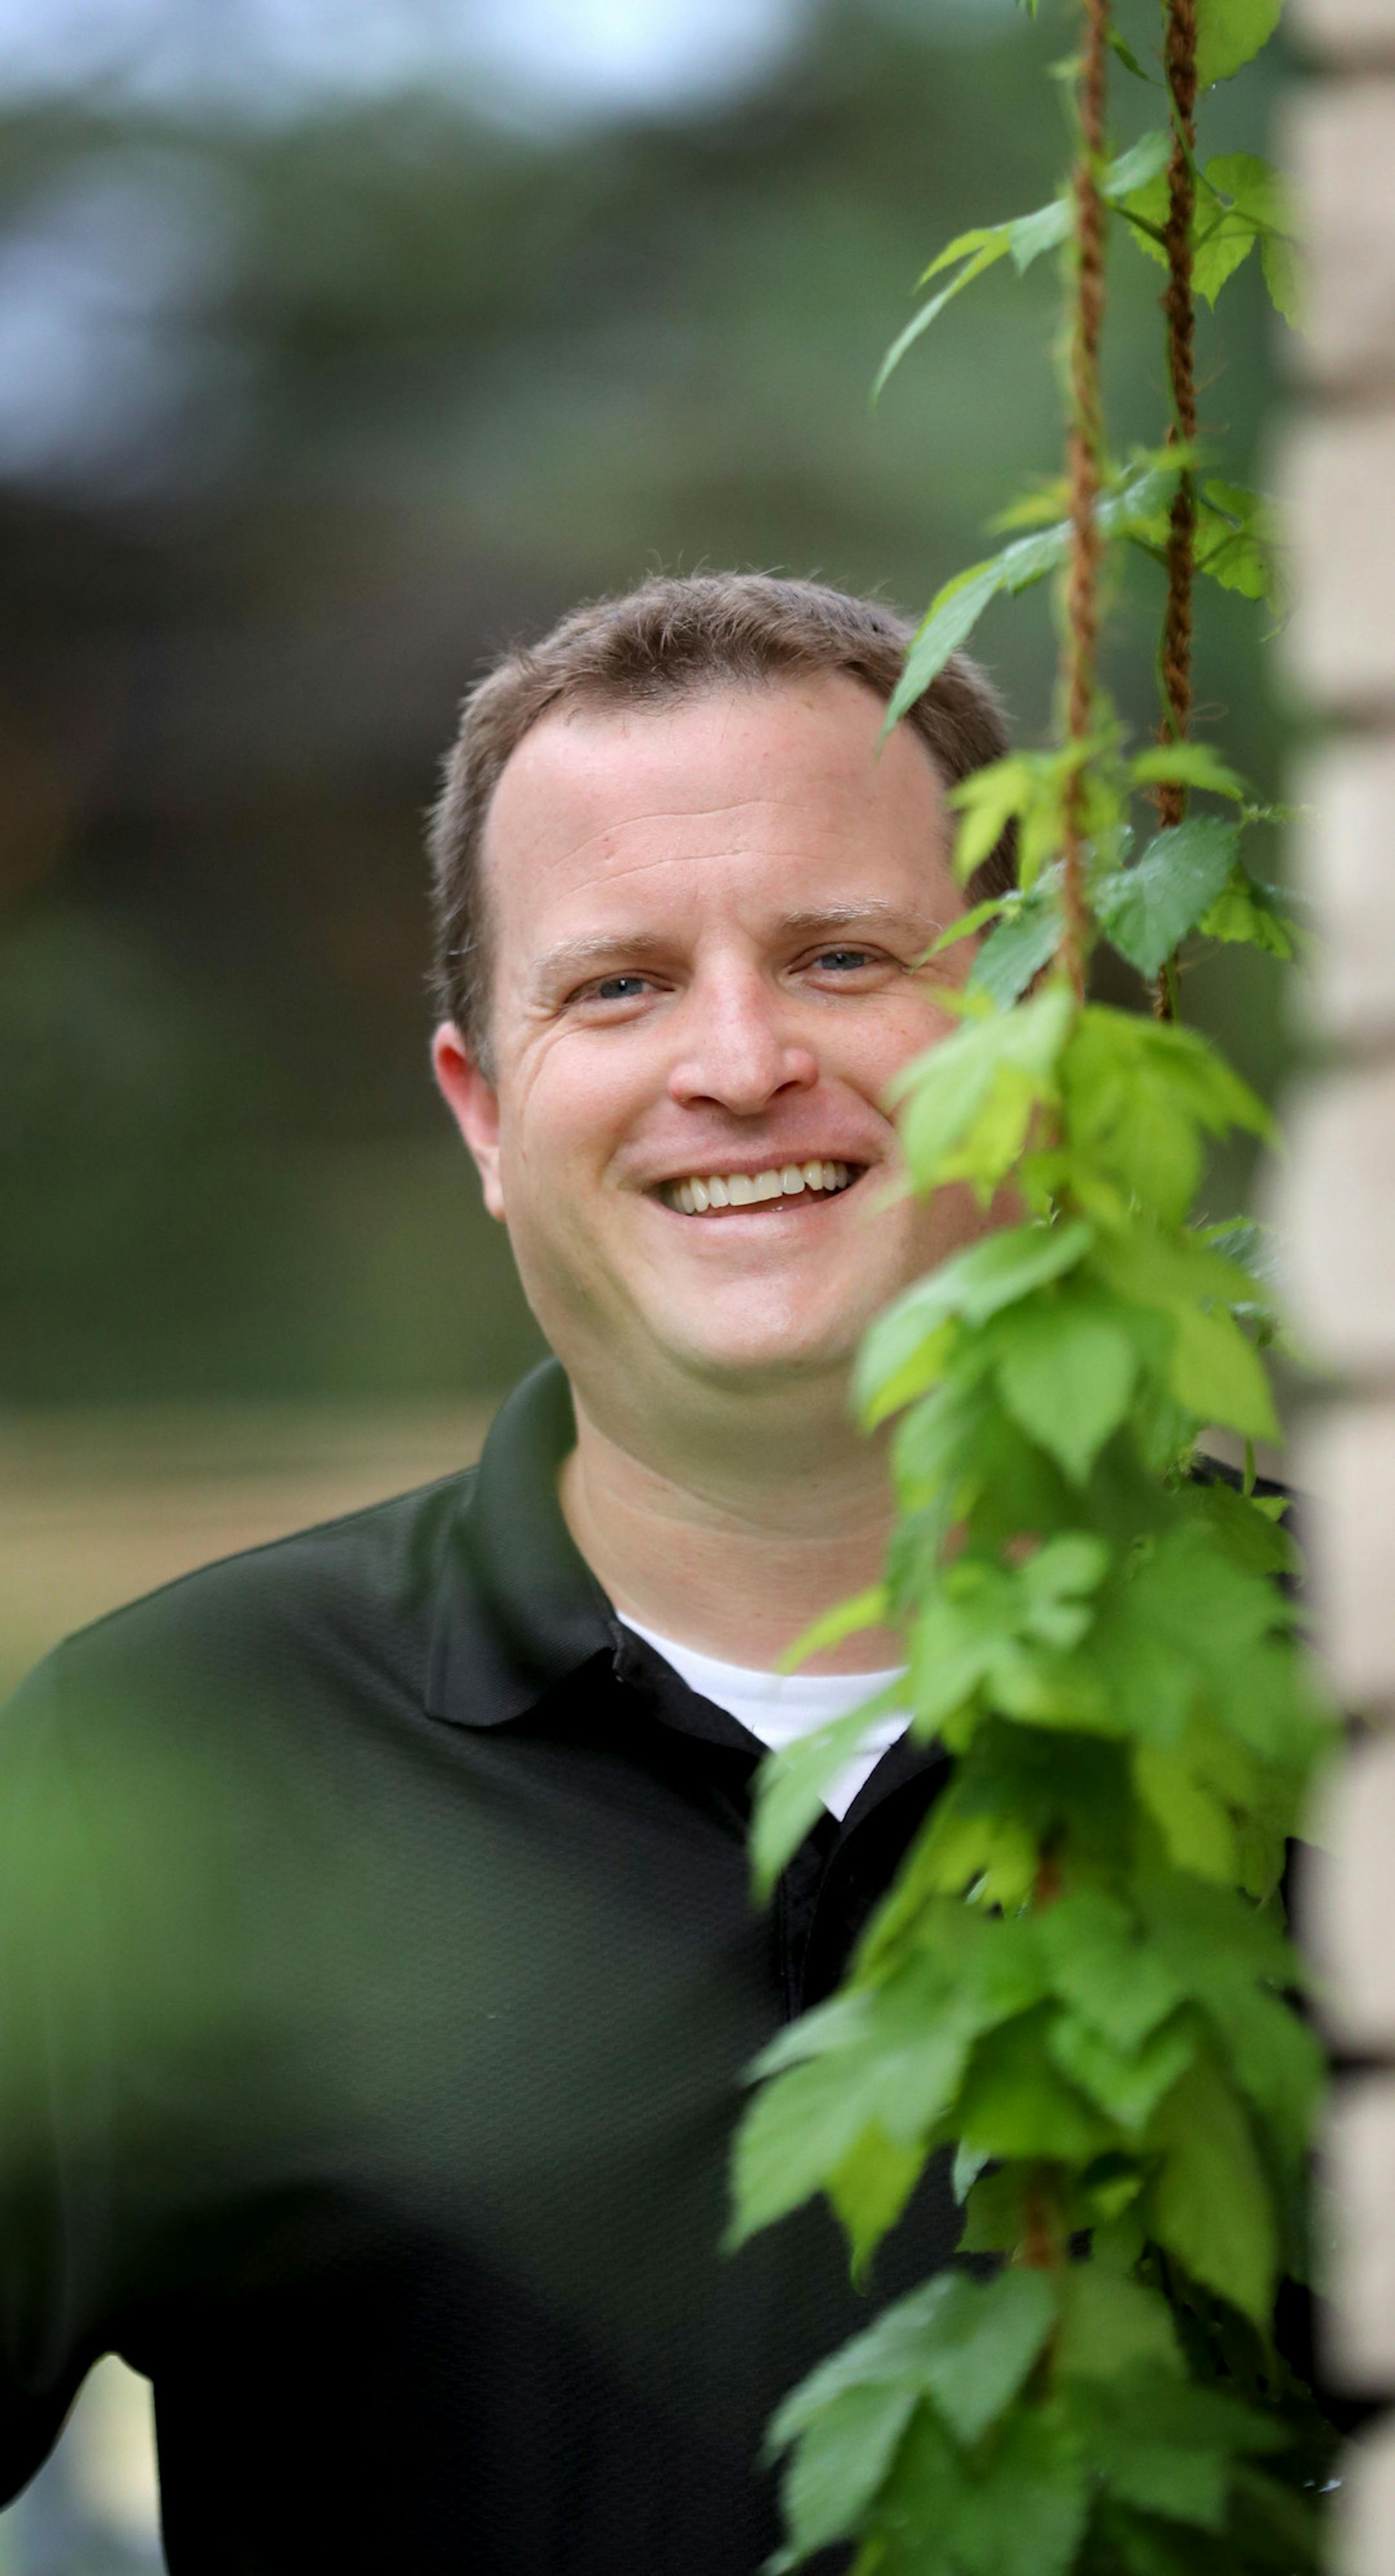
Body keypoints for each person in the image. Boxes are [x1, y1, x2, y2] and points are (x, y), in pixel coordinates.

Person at [0, 573, 1017, 2574]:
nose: (738, 1062)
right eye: (619, 985)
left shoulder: (1331, 1688)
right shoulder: (180, 1751)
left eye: (839, 956)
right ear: (483, 1107)